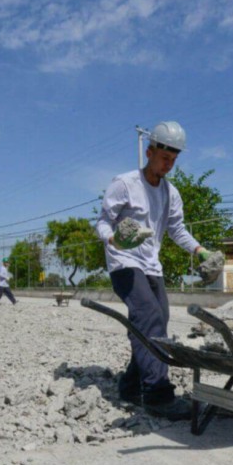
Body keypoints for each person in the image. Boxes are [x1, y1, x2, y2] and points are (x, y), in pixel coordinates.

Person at [96, 121, 222, 421]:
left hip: (152, 265)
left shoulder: (171, 193)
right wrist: (114, 238)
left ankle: (130, 384)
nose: (169, 164)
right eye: (165, 157)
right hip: (124, 263)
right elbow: (102, 221)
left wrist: (200, 250)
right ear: (150, 152)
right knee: (148, 317)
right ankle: (157, 393)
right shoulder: (125, 184)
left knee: (158, 320)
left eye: (174, 159)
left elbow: (177, 229)